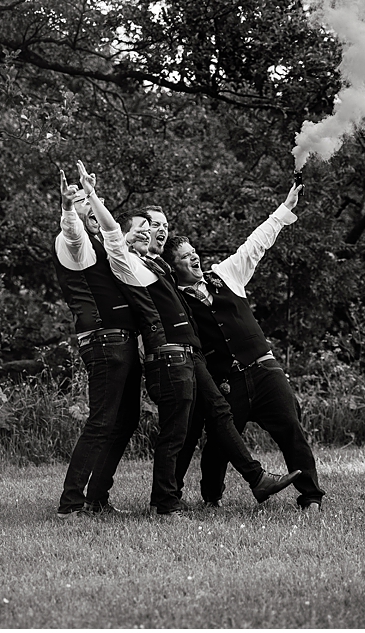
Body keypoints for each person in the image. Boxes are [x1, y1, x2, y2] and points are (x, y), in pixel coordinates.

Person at [74, 160, 299, 517]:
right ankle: (162, 501)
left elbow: (249, 250)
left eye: (158, 228)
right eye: (145, 228)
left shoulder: (160, 267)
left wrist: (283, 212)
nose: (152, 233)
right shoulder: (127, 264)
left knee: (220, 415)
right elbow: (112, 236)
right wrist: (89, 196)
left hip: (190, 354)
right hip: (168, 355)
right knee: (176, 433)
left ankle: (256, 479)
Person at [164, 182, 325, 514]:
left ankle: (310, 497)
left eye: (193, 251)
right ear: (174, 266)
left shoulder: (225, 274)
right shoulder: (174, 299)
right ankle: (212, 497)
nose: (193, 256)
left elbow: (255, 245)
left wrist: (284, 209)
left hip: (265, 371)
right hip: (227, 382)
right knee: (220, 443)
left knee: (292, 430)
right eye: (184, 256)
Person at [51, 170, 143, 520]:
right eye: (81, 204)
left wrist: (90, 196)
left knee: (126, 420)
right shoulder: (73, 245)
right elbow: (74, 235)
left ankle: (96, 497)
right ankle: (70, 502)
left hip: (123, 341)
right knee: (102, 421)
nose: (87, 207)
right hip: (104, 341)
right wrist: (68, 208)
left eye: (89, 203)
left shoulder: (102, 243)